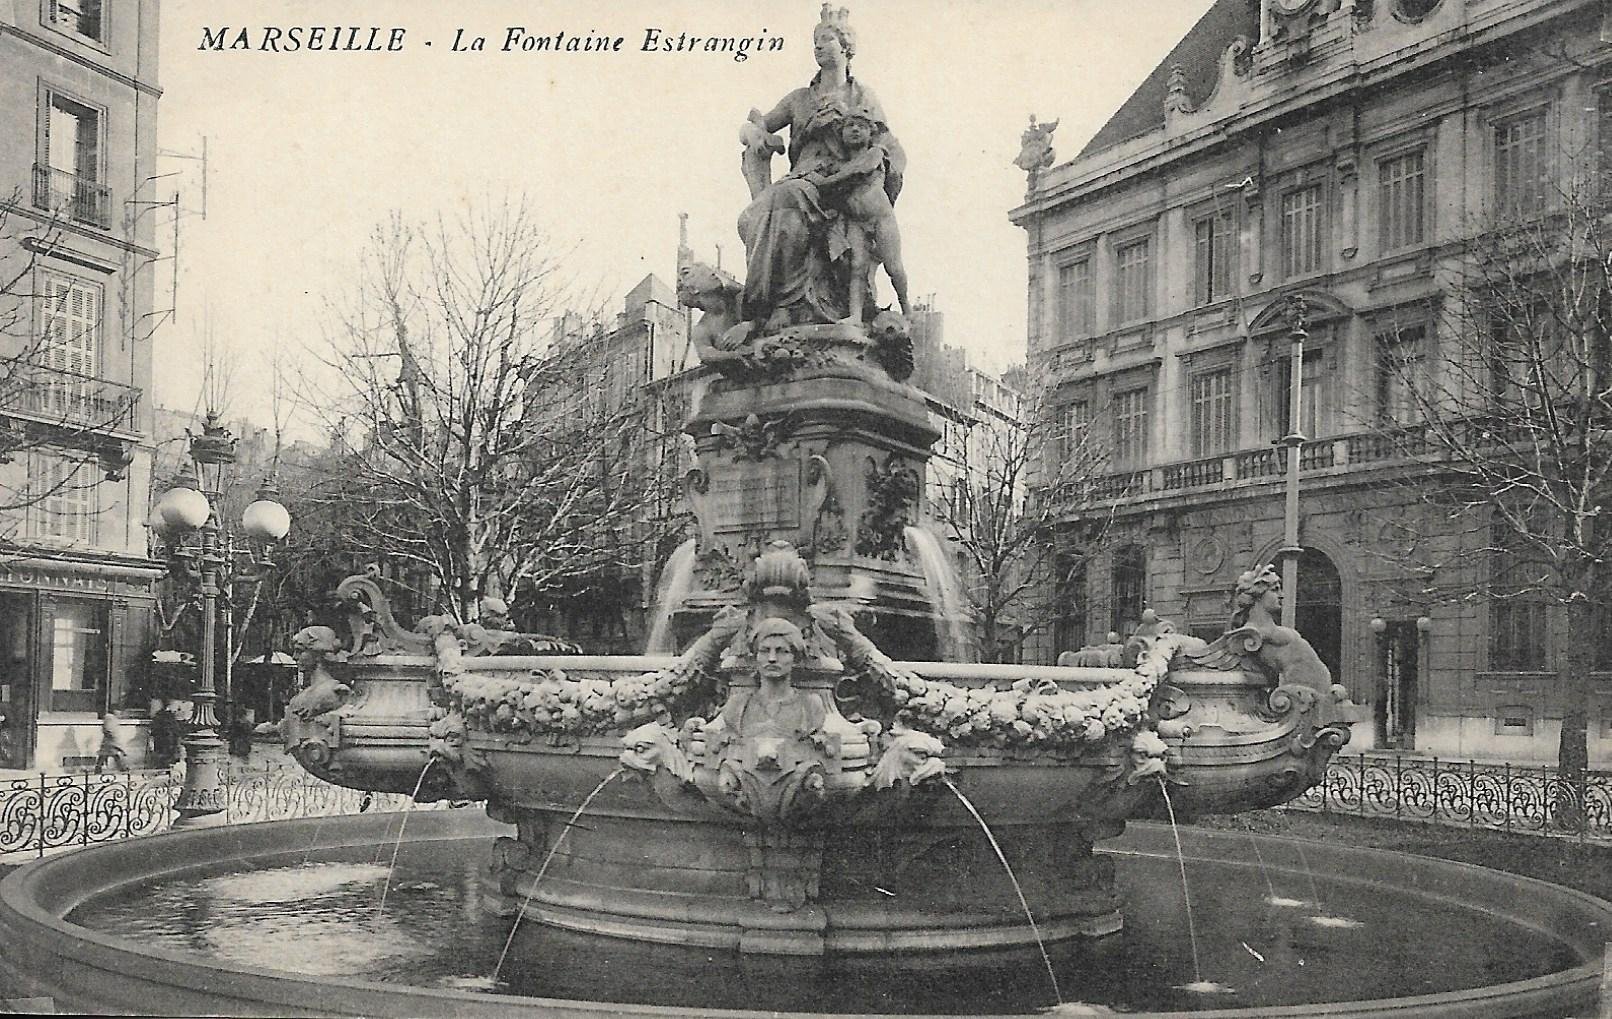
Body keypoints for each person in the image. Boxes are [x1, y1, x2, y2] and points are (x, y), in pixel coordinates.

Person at [736, 4, 905, 329]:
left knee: (783, 198)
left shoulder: (862, 96)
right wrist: (752, 134)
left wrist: (872, 160)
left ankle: (770, 305)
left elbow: (887, 143)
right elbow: (757, 125)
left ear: (845, 47)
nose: (818, 45)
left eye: (826, 39)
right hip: (804, 178)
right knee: (758, 213)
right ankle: (778, 305)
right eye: (816, 40)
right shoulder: (798, 99)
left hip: (843, 184)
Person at [808, 111, 910, 324]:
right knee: (857, 268)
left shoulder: (875, 153)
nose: (855, 130)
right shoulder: (838, 165)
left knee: (894, 267)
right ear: (841, 134)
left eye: (861, 127)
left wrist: (824, 182)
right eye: (850, 126)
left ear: (870, 133)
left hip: (881, 219)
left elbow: (857, 172)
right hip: (856, 222)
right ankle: (854, 315)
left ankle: (906, 306)